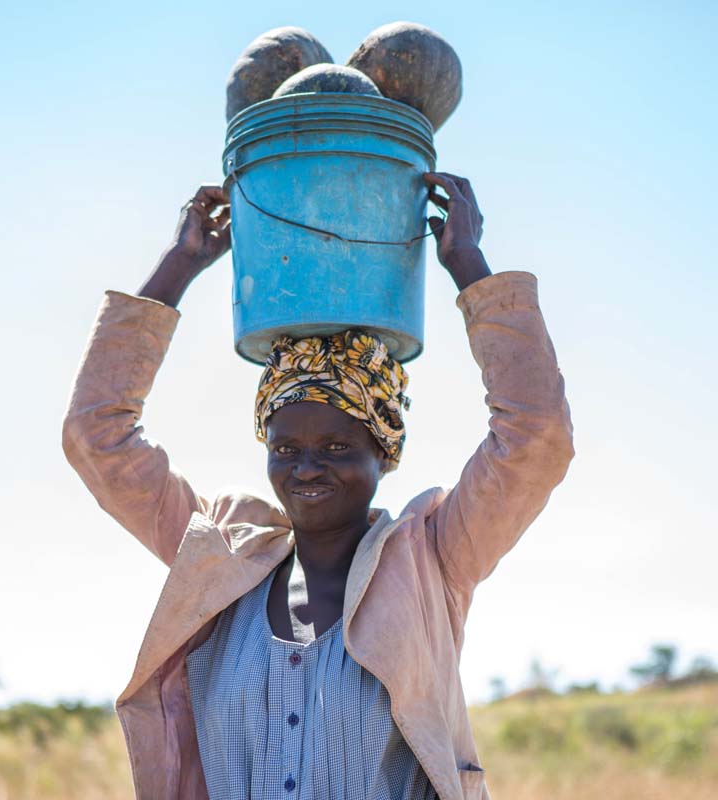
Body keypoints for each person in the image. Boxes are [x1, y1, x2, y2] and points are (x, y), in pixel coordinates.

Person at [62, 172, 574, 800]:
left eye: (337, 447)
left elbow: (536, 438)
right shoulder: (219, 560)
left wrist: (470, 267)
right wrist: (178, 267)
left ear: (383, 453)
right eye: (286, 448)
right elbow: (97, 436)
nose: (306, 468)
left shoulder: (433, 559)